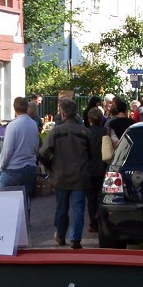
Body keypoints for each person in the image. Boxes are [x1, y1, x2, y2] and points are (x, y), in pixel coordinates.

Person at [39, 98, 93, 250]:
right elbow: (91, 154)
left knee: (61, 208)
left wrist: (50, 167)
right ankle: (75, 238)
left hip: (60, 175)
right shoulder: (85, 132)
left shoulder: (56, 131)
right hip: (80, 176)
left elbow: (43, 153)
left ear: (62, 113)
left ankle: (61, 235)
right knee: (78, 208)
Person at [0, 96, 40, 222]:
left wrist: (2, 165)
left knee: (6, 202)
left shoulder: (13, 126)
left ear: (14, 108)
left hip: (13, 168)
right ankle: (24, 227)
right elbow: (36, 146)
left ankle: (8, 227)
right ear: (27, 107)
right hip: (30, 167)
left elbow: (7, 150)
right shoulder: (33, 124)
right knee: (25, 200)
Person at [85, 106, 110, 233]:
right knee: (102, 196)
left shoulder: (86, 132)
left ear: (89, 119)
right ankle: (101, 220)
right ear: (101, 119)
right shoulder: (105, 131)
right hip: (102, 168)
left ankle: (93, 223)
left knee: (91, 198)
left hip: (89, 169)